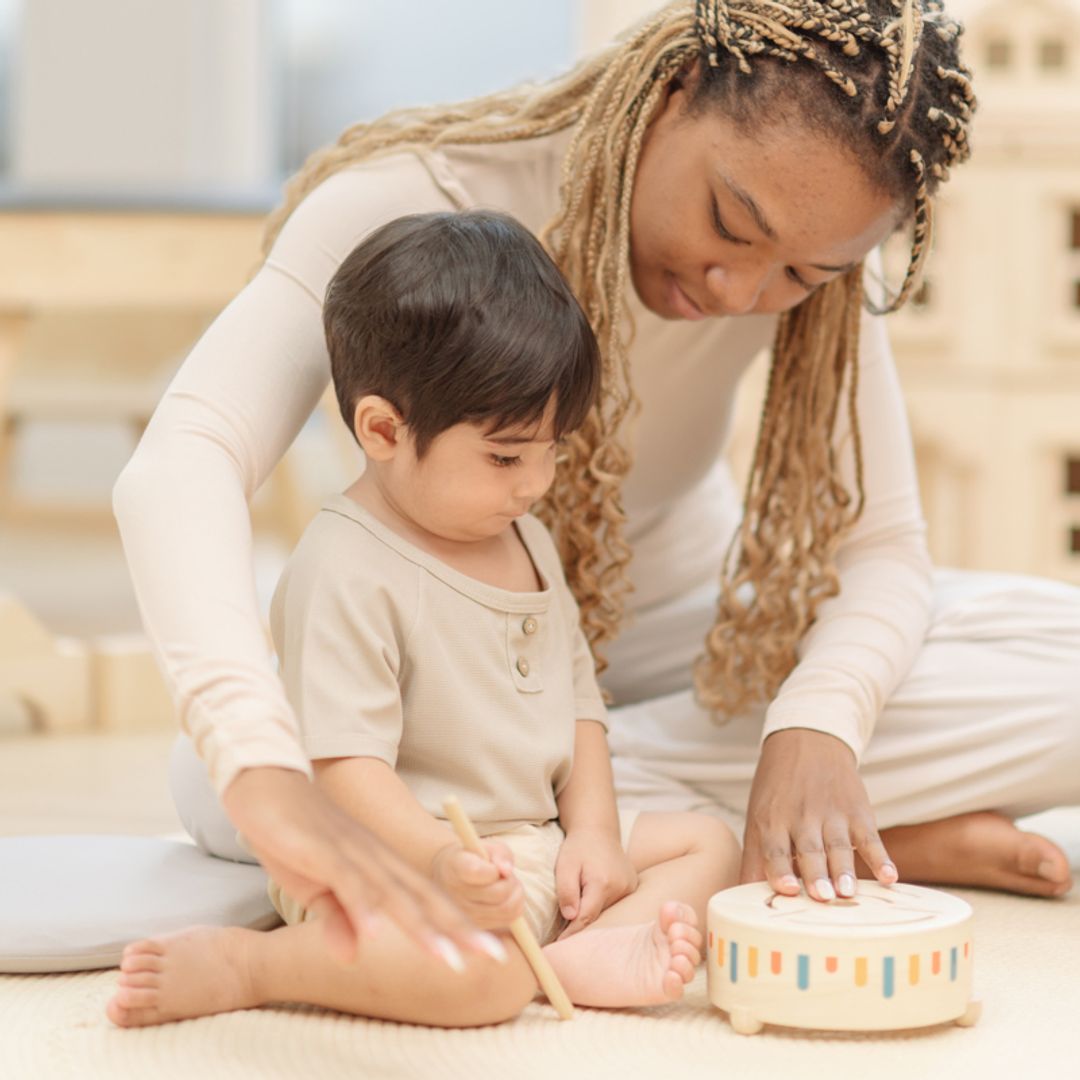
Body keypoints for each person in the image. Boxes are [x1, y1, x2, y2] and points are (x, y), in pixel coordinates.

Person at [114, 0, 1078, 970]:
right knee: (229, 784)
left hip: (688, 638)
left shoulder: (813, 247)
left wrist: (818, 723)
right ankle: (773, 837)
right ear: (674, 89)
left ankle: (750, 818)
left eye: (800, 273)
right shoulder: (425, 194)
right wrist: (258, 762)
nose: (742, 291)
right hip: (446, 674)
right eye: (729, 223)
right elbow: (185, 457)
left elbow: (881, 548)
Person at [107, 210, 736, 1028]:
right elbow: (346, 775)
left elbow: (580, 708)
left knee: (711, 843)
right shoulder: (346, 568)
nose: (536, 481)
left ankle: (579, 954)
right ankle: (251, 964)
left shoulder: (527, 538)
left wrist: (596, 836)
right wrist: (441, 862)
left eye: (555, 449)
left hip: (530, 844)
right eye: (508, 455)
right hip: (393, 860)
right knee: (478, 983)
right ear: (383, 430)